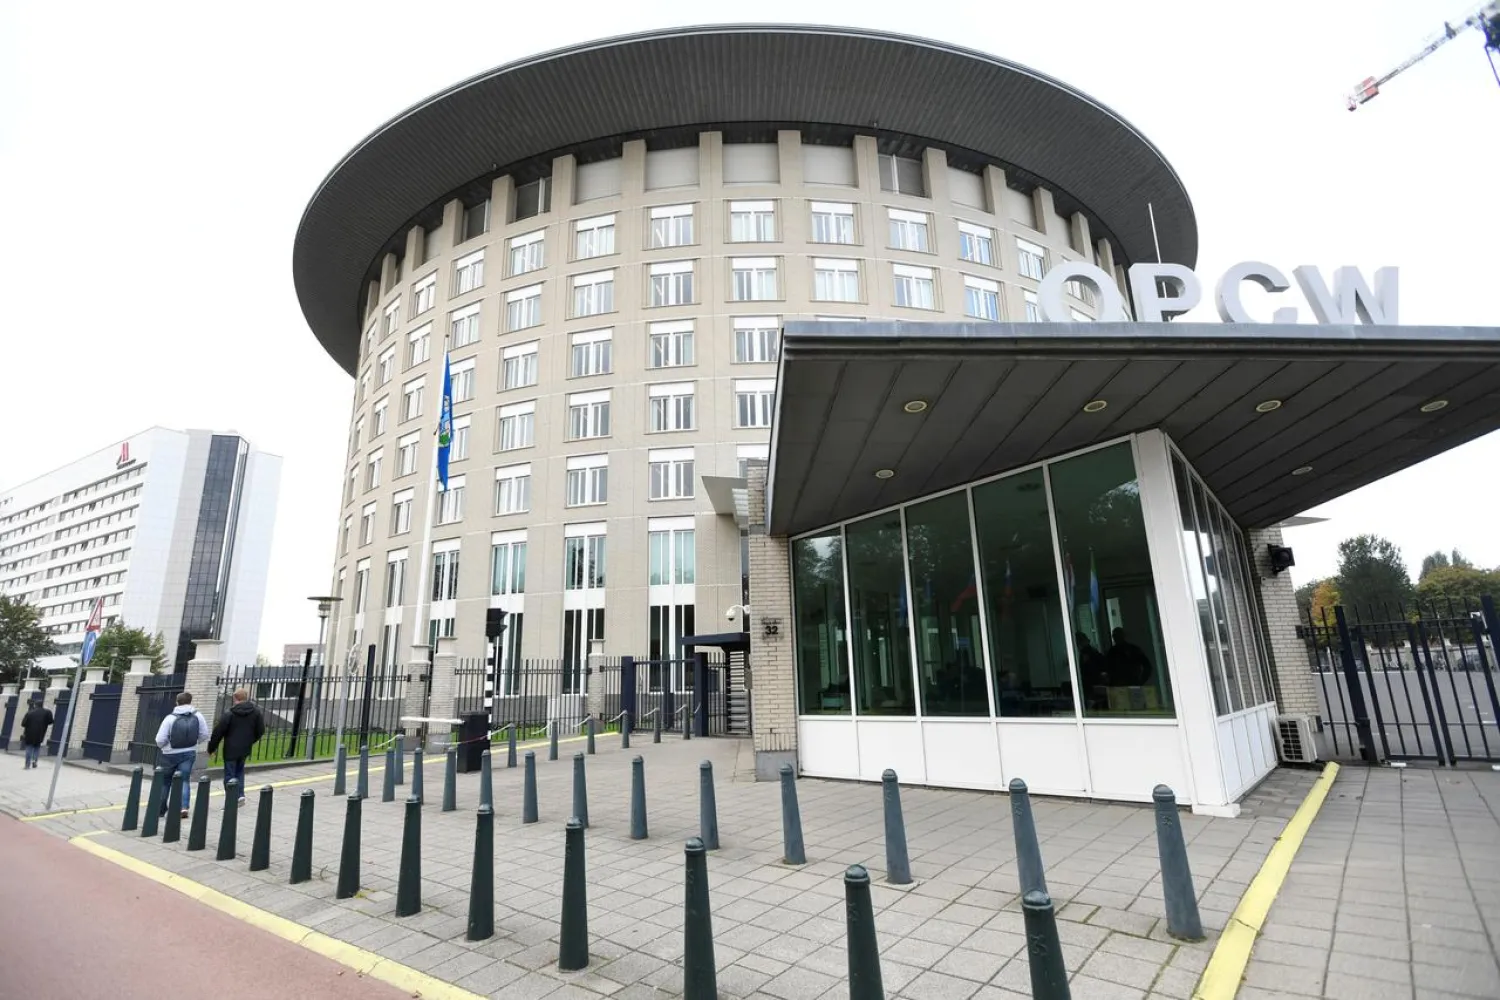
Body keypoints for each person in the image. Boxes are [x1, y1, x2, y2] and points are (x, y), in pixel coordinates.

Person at [155, 691, 208, 818]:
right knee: (184, 780)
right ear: (190, 701)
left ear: (177, 702)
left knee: (165, 781)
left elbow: (160, 739)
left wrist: (165, 747)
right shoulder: (198, 716)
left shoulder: (170, 718)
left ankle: (161, 809)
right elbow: (204, 734)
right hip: (188, 753)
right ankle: (183, 807)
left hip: (169, 754)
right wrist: (194, 743)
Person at [208, 687, 264, 805]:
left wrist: (212, 748)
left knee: (229, 774)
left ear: (235, 698)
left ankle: (231, 798)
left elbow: (218, 732)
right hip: (245, 748)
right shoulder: (256, 712)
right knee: (239, 771)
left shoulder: (230, 713)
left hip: (230, 748)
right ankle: (240, 795)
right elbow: (260, 730)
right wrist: (251, 741)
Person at [18, 697, 53, 769]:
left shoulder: (29, 713)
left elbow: (23, 724)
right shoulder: (47, 712)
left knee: (29, 748)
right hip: (40, 733)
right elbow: (51, 721)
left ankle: (27, 765)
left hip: (29, 734)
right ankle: (34, 761)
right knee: (37, 747)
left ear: (35, 705)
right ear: (42, 705)